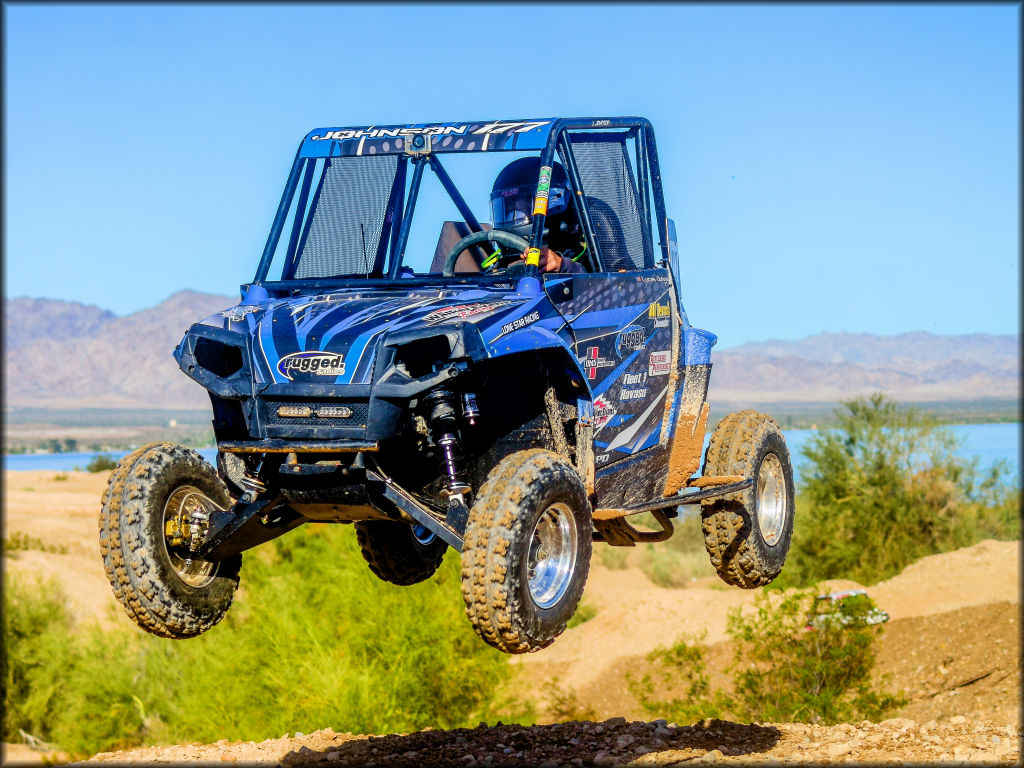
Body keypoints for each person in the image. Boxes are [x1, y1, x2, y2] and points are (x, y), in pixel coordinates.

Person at [489, 157, 587, 274]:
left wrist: (562, 266)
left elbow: (599, 284)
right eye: (510, 210)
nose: (516, 216)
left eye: (525, 208)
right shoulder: (500, 266)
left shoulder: (582, 257)